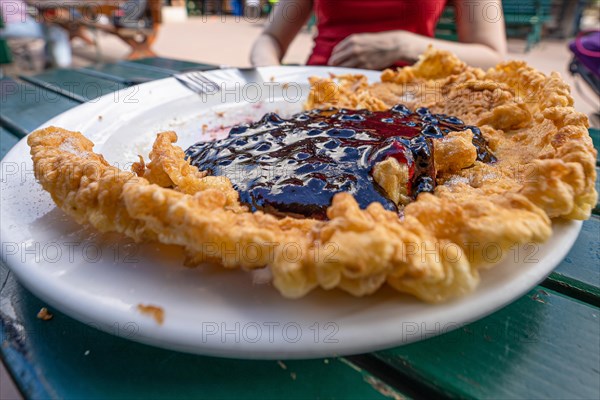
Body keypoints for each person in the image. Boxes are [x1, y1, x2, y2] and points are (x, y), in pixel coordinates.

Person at [250, 0, 506, 70]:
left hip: (411, 102)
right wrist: (272, 77)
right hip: (320, 94)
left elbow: (492, 56)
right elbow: (269, 39)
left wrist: (402, 45)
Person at [0, 0, 71, 68]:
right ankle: (63, 69)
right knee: (58, 33)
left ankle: (49, 61)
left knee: (50, 27)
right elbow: (35, 3)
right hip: (14, 25)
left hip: (5, 27)